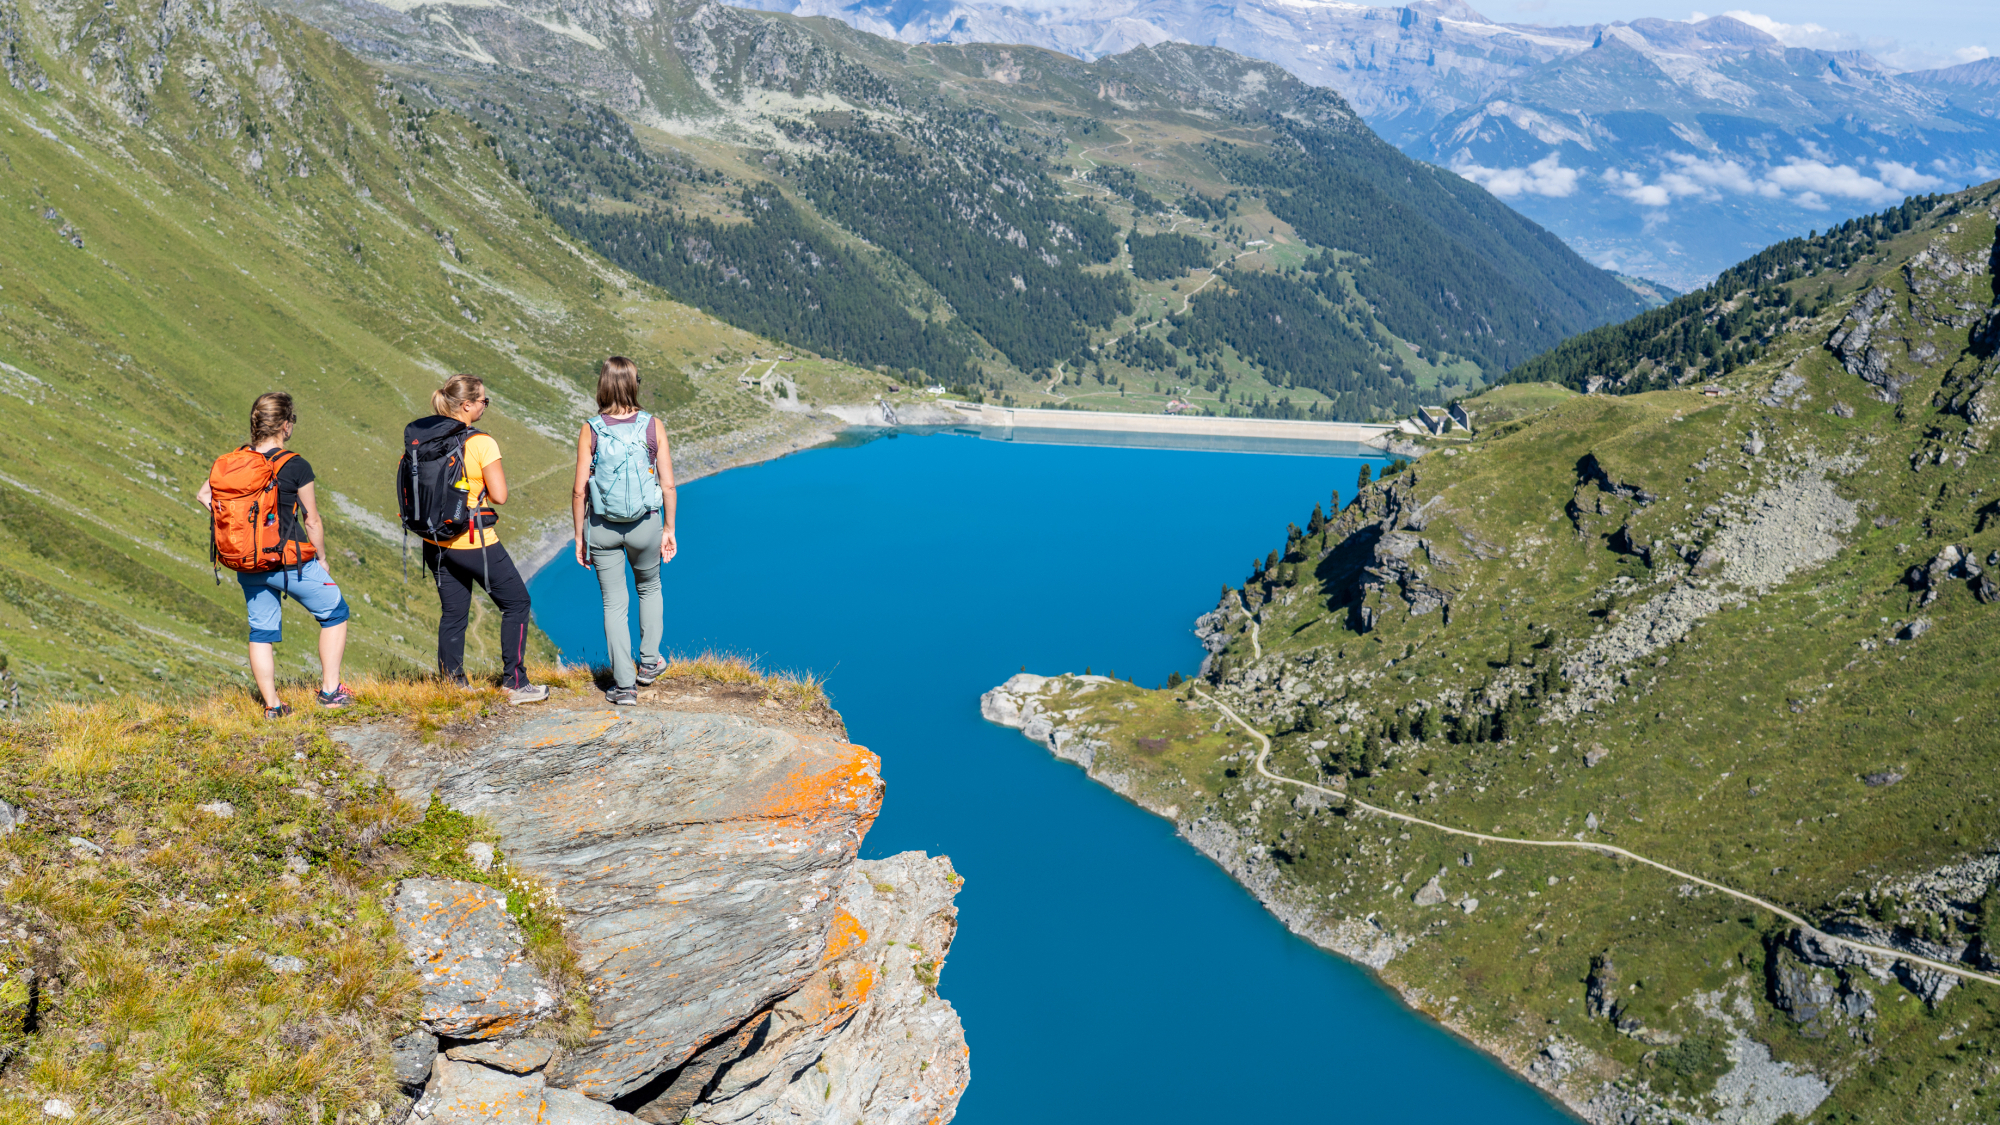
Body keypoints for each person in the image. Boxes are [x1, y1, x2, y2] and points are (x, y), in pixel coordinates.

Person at [199, 392, 352, 718]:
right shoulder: (295, 465)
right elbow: (312, 519)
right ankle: (330, 692)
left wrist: (239, 526)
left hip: (247, 561)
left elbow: (203, 496)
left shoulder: (235, 461)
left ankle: (273, 706)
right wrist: (322, 558)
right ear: (285, 425)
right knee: (335, 612)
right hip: (289, 561)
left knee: (261, 632)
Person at [418, 374, 547, 704]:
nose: (485, 406)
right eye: (483, 401)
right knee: (517, 603)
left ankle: (453, 686)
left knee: (453, 614)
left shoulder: (426, 438)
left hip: (435, 541)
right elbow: (500, 495)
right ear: (466, 405)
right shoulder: (481, 442)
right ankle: (515, 683)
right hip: (474, 541)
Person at [571, 357, 677, 705]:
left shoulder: (591, 429)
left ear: (602, 385)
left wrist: (579, 536)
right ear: (634, 384)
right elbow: (668, 485)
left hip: (602, 528)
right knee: (650, 587)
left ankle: (624, 686)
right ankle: (649, 663)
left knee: (614, 603)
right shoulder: (653, 426)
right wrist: (669, 528)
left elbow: (579, 491)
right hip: (645, 525)